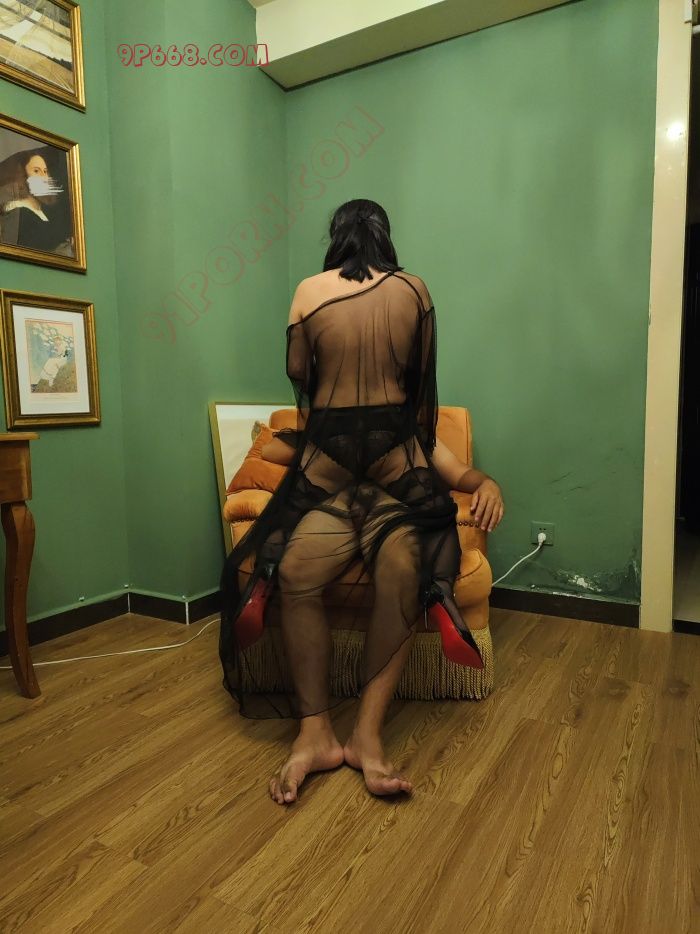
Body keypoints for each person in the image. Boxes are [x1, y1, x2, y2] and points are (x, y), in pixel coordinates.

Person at [218, 199, 505, 804]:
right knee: (296, 570)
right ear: (385, 238)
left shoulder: (308, 291)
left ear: (336, 238)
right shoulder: (414, 290)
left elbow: (301, 375)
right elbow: (420, 377)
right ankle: (315, 734)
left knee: (401, 567)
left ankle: (366, 738)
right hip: (375, 474)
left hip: (358, 478)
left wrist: (484, 481)